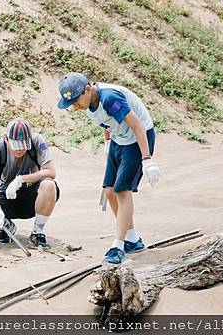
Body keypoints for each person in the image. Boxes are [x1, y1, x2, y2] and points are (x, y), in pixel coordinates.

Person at [56, 72, 161, 264]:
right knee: (110, 192)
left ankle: (118, 246)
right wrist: (107, 143)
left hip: (137, 140)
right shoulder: (89, 103)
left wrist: (147, 159)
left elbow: (137, 126)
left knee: (122, 191)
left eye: (76, 101)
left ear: (87, 90)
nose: (75, 107)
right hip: (117, 140)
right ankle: (132, 239)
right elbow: (106, 121)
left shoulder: (110, 97)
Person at [0, 118, 60, 249]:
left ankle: (38, 232)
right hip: (6, 196)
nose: (20, 151)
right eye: (16, 146)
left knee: (49, 185)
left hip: (32, 196)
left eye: (24, 146)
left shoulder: (37, 141)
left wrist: (21, 179)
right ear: (6, 138)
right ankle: (6, 226)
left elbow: (51, 172)